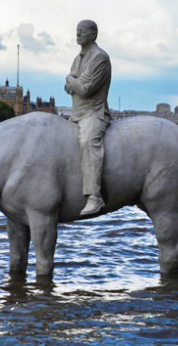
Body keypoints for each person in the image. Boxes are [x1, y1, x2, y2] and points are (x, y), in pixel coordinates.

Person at [65, 20, 112, 216]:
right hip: (76, 114)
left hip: (94, 113)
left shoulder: (100, 58)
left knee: (88, 142)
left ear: (93, 35)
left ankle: (95, 197)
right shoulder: (78, 58)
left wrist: (70, 79)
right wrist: (73, 82)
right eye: (77, 30)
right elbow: (70, 88)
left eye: (82, 30)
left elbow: (84, 89)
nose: (78, 33)